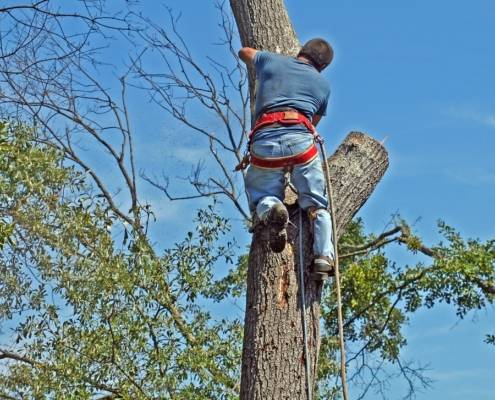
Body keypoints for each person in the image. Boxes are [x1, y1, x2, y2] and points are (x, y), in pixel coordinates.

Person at [238, 38, 335, 279]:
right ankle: (323, 256)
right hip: (301, 143)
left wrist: (263, 60)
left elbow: (244, 52)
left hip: (264, 142)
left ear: (301, 52)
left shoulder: (271, 61)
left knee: (262, 194)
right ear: (322, 66)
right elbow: (312, 123)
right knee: (316, 203)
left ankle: (272, 208)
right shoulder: (323, 85)